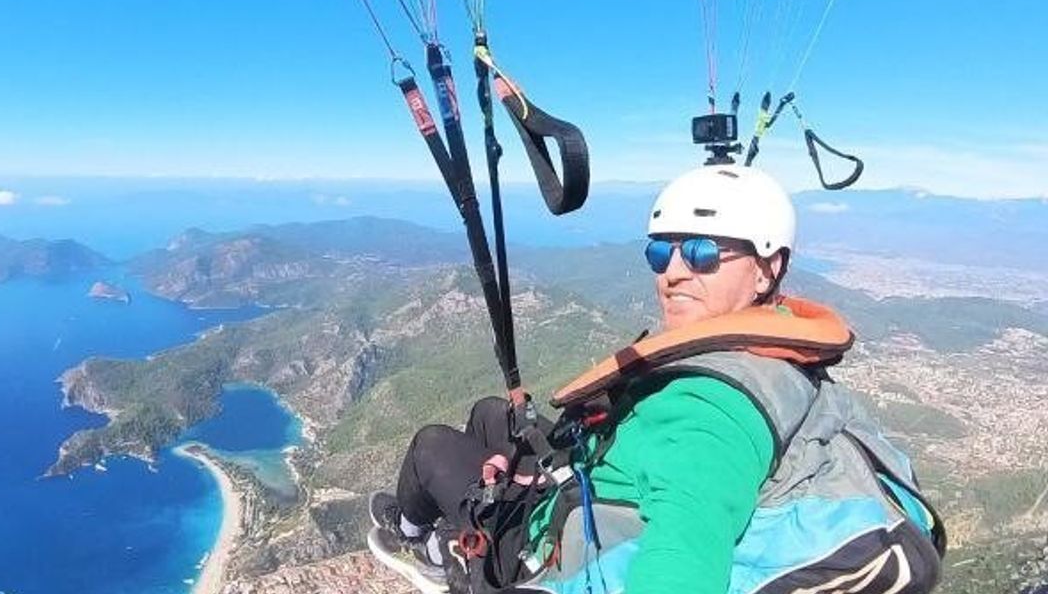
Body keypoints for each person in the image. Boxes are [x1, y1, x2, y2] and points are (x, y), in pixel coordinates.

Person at [368, 164, 946, 594]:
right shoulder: (776, 353)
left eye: (701, 253)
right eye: (659, 253)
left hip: (559, 543)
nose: (672, 273)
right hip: (598, 480)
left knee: (431, 448)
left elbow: (679, 567)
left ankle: (427, 543)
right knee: (493, 414)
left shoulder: (708, 416)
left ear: (769, 267)